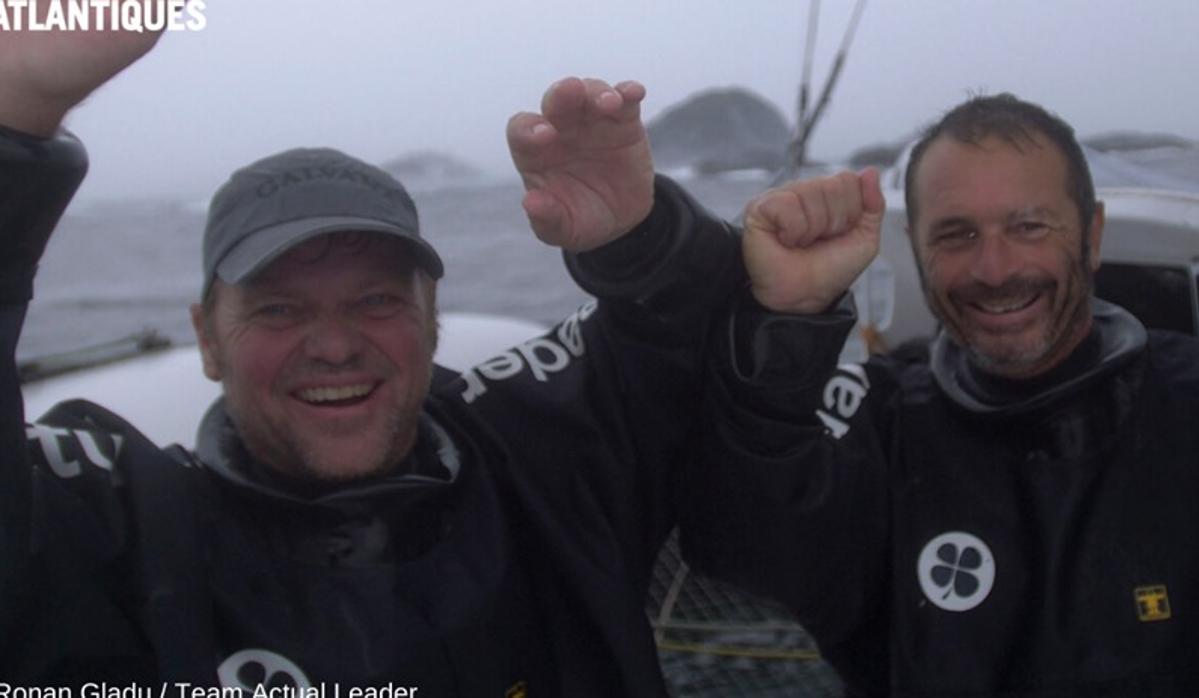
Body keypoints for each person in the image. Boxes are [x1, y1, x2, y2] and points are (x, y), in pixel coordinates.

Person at [0, 27, 808, 693]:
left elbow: (694, 359)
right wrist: (13, 136)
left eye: (377, 301)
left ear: (430, 322)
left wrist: (641, 245)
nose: (336, 342)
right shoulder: (116, 531)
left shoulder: (541, 464)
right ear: (207, 338)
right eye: (279, 308)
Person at [676, 93, 1199, 696]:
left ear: (1092, 234)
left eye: (1028, 226)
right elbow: (742, 539)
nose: (995, 269)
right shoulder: (883, 429)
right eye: (956, 234)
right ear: (914, 245)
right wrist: (783, 325)